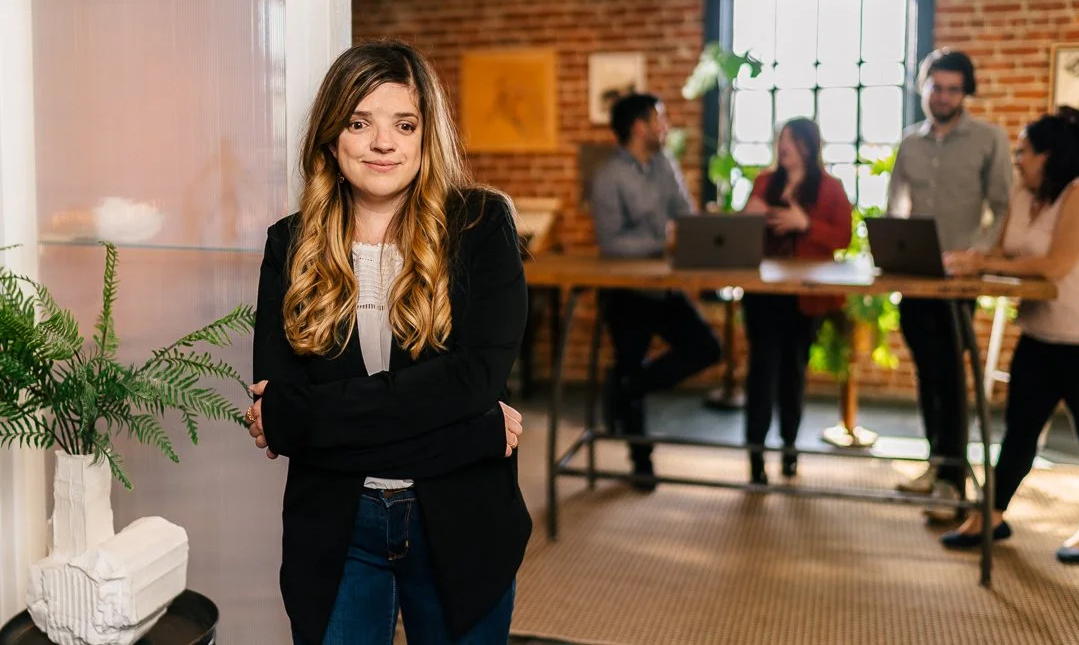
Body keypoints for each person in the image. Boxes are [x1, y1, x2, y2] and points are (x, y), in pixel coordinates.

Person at [243, 40, 532, 644]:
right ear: (331, 135)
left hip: (461, 523)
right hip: (336, 531)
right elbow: (281, 419)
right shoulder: (289, 244)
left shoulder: (481, 226)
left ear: (428, 135)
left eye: (404, 124)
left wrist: (315, 420)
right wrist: (472, 432)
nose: (384, 144)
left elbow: (474, 380)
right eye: (359, 123)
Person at [939, 107, 1079, 562]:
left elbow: (1056, 265)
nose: (1017, 159)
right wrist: (972, 260)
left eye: (1025, 151)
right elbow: (998, 251)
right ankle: (991, 516)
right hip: (1039, 331)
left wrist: (987, 264)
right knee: (1019, 431)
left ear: (1050, 155)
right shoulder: (1023, 193)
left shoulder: (1077, 194)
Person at [886, 49, 1013, 521]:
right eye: (935, 87)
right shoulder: (909, 143)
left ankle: (951, 481)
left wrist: (976, 255)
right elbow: (896, 204)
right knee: (926, 372)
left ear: (966, 92)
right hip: (913, 276)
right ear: (923, 88)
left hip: (958, 281)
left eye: (953, 88)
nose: (943, 96)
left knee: (950, 376)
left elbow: (1002, 207)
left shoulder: (989, 139)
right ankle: (936, 463)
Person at [590, 92, 724, 491]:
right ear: (639, 126)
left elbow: (684, 214)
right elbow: (611, 244)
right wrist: (661, 240)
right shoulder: (608, 176)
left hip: (662, 288)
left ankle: (625, 387)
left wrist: (691, 231)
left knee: (707, 348)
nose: (666, 126)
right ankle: (641, 462)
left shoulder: (665, 164)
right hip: (625, 292)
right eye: (660, 119)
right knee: (631, 362)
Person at [741, 118, 852, 484]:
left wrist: (805, 223)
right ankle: (755, 456)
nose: (784, 146)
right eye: (781, 139)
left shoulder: (830, 188)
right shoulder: (763, 182)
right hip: (764, 293)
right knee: (761, 373)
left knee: (793, 372)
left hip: (805, 297)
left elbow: (843, 237)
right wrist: (749, 217)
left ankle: (790, 448)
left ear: (808, 145)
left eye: (791, 140)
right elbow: (740, 232)